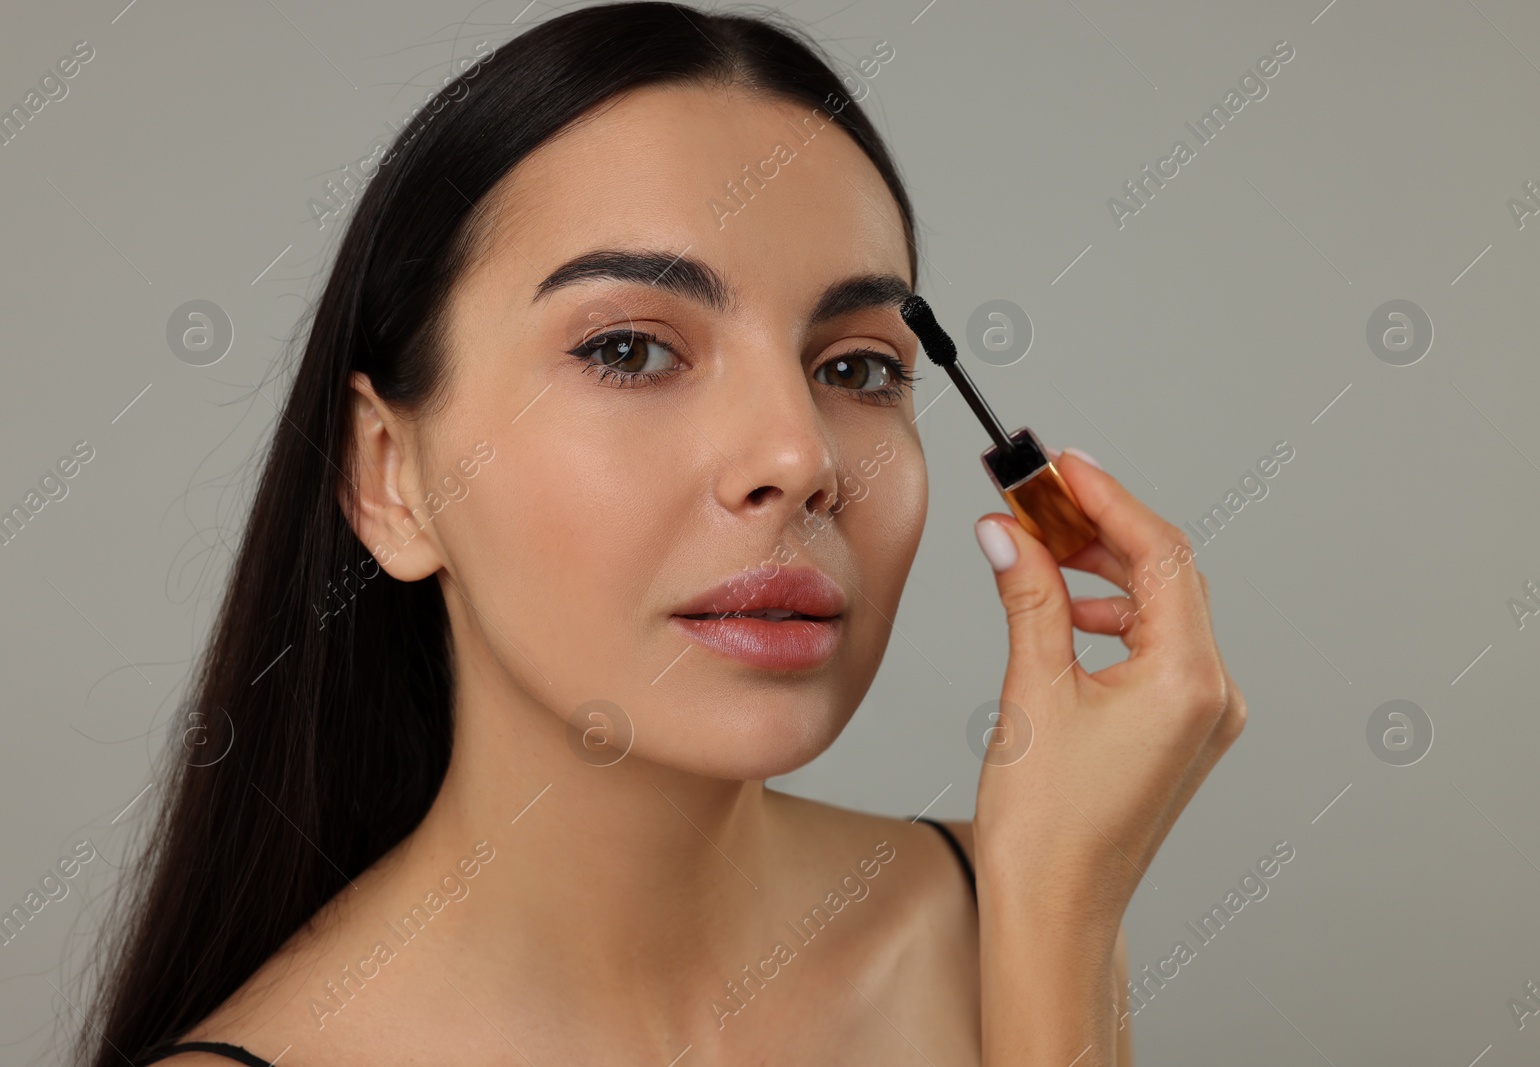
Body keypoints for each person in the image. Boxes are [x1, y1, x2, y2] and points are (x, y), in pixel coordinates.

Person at [81, 4, 1244, 1065]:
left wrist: (1052, 915)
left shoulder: (1004, 909)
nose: (799, 457)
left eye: (856, 366)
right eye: (629, 349)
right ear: (390, 476)